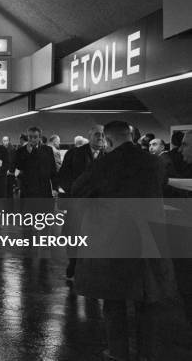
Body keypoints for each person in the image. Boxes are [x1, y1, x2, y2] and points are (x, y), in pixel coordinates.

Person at [71, 121, 176, 361]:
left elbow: (78, 190)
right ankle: (147, 353)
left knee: (115, 301)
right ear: (130, 136)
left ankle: (118, 353)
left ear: (108, 141)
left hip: (114, 241)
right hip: (150, 239)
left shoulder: (104, 164)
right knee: (147, 301)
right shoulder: (155, 161)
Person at [58, 125, 105, 280]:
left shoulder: (109, 155)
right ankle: (74, 265)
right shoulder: (74, 154)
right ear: (90, 135)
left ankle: (92, 267)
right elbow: (63, 176)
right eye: (97, 134)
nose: (100, 137)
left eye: (103, 135)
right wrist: (74, 191)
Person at [12, 126, 57, 199]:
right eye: (30, 137)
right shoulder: (21, 151)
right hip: (28, 189)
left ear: (40, 137)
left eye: (35, 137)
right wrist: (28, 154)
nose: (32, 139)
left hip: (44, 188)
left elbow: (53, 169)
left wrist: (55, 187)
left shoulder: (47, 150)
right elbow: (19, 167)